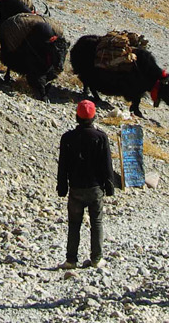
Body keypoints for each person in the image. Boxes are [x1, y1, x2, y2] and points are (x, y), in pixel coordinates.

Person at [56, 99, 116, 269]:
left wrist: (62, 187)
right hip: (95, 188)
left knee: (74, 224)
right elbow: (107, 165)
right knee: (96, 222)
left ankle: (71, 260)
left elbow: (63, 165)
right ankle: (97, 259)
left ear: (77, 116)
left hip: (75, 188)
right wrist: (109, 186)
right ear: (94, 117)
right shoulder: (101, 137)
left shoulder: (67, 138)